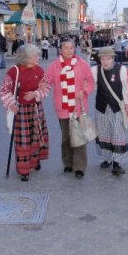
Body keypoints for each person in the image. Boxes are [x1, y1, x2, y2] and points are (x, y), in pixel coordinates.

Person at [0, 44, 50, 182]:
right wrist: (11, 103)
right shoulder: (14, 71)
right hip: (20, 109)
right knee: (23, 139)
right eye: (35, 56)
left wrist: (36, 93)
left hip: (35, 108)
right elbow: (4, 90)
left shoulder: (39, 70)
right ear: (26, 57)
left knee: (36, 136)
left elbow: (46, 86)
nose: (38, 58)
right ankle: (24, 170)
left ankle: (34, 162)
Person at [47, 38, 95, 179]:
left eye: (71, 47)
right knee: (66, 138)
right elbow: (46, 82)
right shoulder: (54, 66)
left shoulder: (82, 64)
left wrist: (85, 91)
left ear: (75, 49)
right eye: (66, 48)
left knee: (79, 138)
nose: (69, 50)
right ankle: (67, 163)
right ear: (60, 50)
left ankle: (79, 167)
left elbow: (91, 82)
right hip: (63, 108)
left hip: (78, 107)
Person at [91, 47, 128, 176]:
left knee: (118, 134)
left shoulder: (121, 69)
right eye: (103, 58)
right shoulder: (95, 70)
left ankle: (116, 163)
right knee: (103, 133)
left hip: (116, 107)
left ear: (113, 58)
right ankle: (107, 159)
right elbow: (91, 86)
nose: (105, 61)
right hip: (101, 107)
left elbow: (125, 89)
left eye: (108, 58)